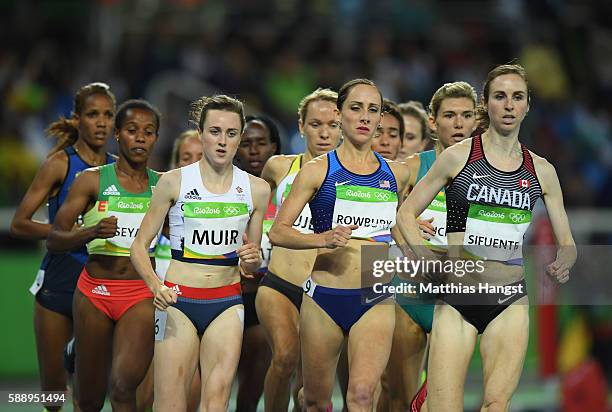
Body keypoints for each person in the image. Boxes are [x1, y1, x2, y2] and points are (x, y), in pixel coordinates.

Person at [397, 64, 577, 411]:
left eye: (517, 97)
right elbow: (405, 213)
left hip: (509, 299)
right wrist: (422, 257)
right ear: (486, 103)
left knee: (496, 405)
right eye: (500, 97)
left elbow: (566, 241)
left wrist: (563, 261)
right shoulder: (457, 157)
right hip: (457, 297)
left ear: (527, 105)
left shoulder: (541, 170)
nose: (509, 105)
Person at [269, 79, 413, 412]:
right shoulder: (317, 171)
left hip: (375, 295)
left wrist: (408, 231)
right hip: (324, 297)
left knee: (362, 395)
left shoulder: (398, 174)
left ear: (380, 119)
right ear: (340, 114)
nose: (364, 117)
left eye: (373, 110)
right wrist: (323, 239)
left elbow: (394, 227)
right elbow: (278, 232)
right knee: (317, 401)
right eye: (355, 108)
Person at [130, 95, 270, 411]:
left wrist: (252, 259)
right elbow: (139, 246)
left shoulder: (257, 189)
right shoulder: (172, 182)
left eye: (231, 133)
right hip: (177, 303)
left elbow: (253, 262)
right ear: (200, 132)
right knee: (169, 404)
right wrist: (157, 287)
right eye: (215, 131)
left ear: (241, 135)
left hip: (227, 303)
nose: (222, 141)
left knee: (216, 402)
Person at [47, 99, 162, 411]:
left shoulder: (163, 186)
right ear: (117, 135)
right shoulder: (92, 180)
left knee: (124, 386)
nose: (140, 138)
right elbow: (55, 239)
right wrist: (89, 233)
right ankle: (79, 358)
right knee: (89, 400)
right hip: (94, 294)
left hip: (139, 294)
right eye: (132, 131)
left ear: (155, 139)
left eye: (148, 132)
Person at [10, 82, 116, 410]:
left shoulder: (120, 170)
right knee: (54, 393)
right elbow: (19, 223)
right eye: (93, 114)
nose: (101, 122)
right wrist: (68, 234)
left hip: (102, 287)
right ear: (77, 119)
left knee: (91, 390)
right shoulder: (60, 164)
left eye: (108, 115)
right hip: (58, 285)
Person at [386, 81, 479, 412]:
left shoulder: (490, 174)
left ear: (476, 120)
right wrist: (404, 233)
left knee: (440, 398)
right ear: (432, 121)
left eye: (466, 115)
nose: (458, 123)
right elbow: (378, 206)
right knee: (397, 396)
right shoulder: (412, 167)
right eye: (450, 115)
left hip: (458, 298)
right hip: (410, 292)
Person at [258, 88, 341, 412]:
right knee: (285, 357)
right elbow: (255, 206)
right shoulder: (279, 167)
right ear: (302, 126)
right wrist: (253, 246)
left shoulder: (358, 176)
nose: (324, 132)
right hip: (280, 282)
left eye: (332, 125)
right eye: (316, 124)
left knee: (310, 386)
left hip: (323, 288)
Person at [136, 129, 203, 412]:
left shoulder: (219, 207)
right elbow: (138, 249)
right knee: (147, 390)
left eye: (198, 157)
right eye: (185, 157)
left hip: (199, 306)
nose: (192, 163)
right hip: (156, 307)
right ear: (175, 162)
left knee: (193, 389)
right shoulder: (160, 202)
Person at [233, 114, 281, 411]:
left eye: (261, 143)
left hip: (266, 299)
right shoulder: (228, 190)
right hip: (227, 295)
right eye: (246, 144)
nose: (254, 151)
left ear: (274, 147)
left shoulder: (291, 193)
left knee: (252, 383)